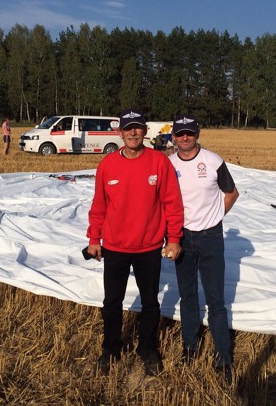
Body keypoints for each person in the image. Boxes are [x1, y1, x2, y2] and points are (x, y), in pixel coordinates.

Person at [86, 108, 184, 376]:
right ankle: (111, 349)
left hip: (149, 247)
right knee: (112, 302)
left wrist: (173, 239)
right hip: (115, 247)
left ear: (145, 131)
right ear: (120, 132)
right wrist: (94, 238)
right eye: (128, 128)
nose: (133, 132)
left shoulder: (159, 163)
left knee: (150, 302)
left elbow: (172, 204)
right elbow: (99, 206)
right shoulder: (107, 165)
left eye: (138, 127)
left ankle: (148, 349)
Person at [168, 113, 239, 383]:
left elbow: (232, 192)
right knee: (187, 296)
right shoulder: (169, 164)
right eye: (180, 133)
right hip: (182, 238)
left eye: (190, 133)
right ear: (174, 136)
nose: (185, 138)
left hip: (211, 237)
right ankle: (190, 348)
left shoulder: (213, 161)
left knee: (216, 300)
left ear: (197, 134)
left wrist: (216, 217)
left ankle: (224, 358)